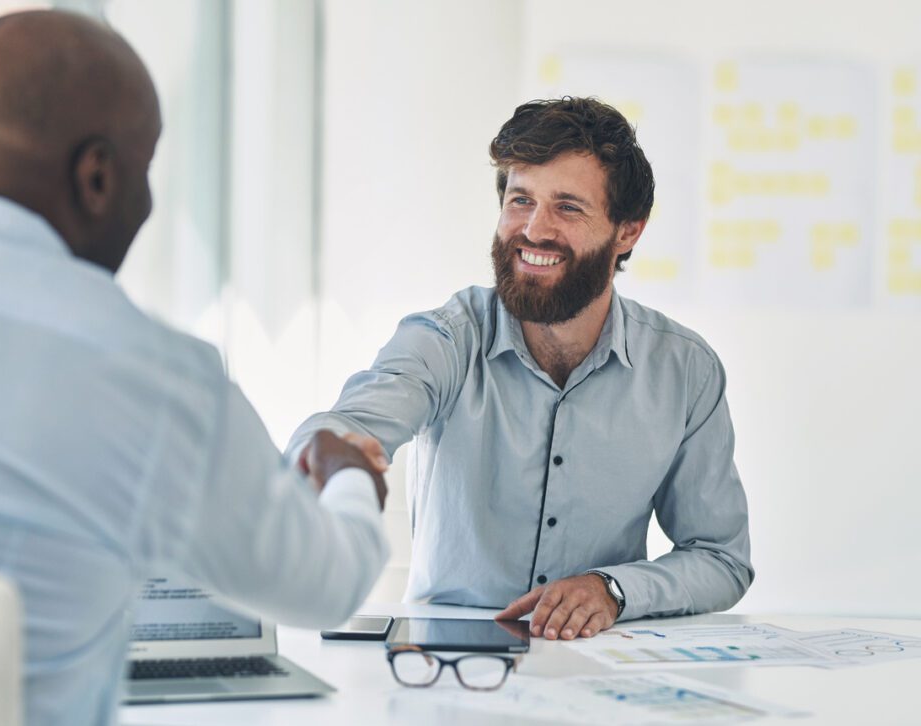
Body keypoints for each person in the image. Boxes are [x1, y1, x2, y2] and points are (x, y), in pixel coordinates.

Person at [0, 10, 387, 726]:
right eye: (145, 171)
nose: (149, 201)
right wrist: (345, 472)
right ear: (96, 175)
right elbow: (326, 585)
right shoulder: (156, 379)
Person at [287, 97, 753, 642]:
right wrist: (328, 451)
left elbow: (722, 559)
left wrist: (614, 589)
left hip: (600, 668)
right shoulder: (446, 338)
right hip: (444, 667)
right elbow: (351, 424)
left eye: (568, 207)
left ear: (627, 232)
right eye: (520, 200)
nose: (534, 229)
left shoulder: (685, 371)